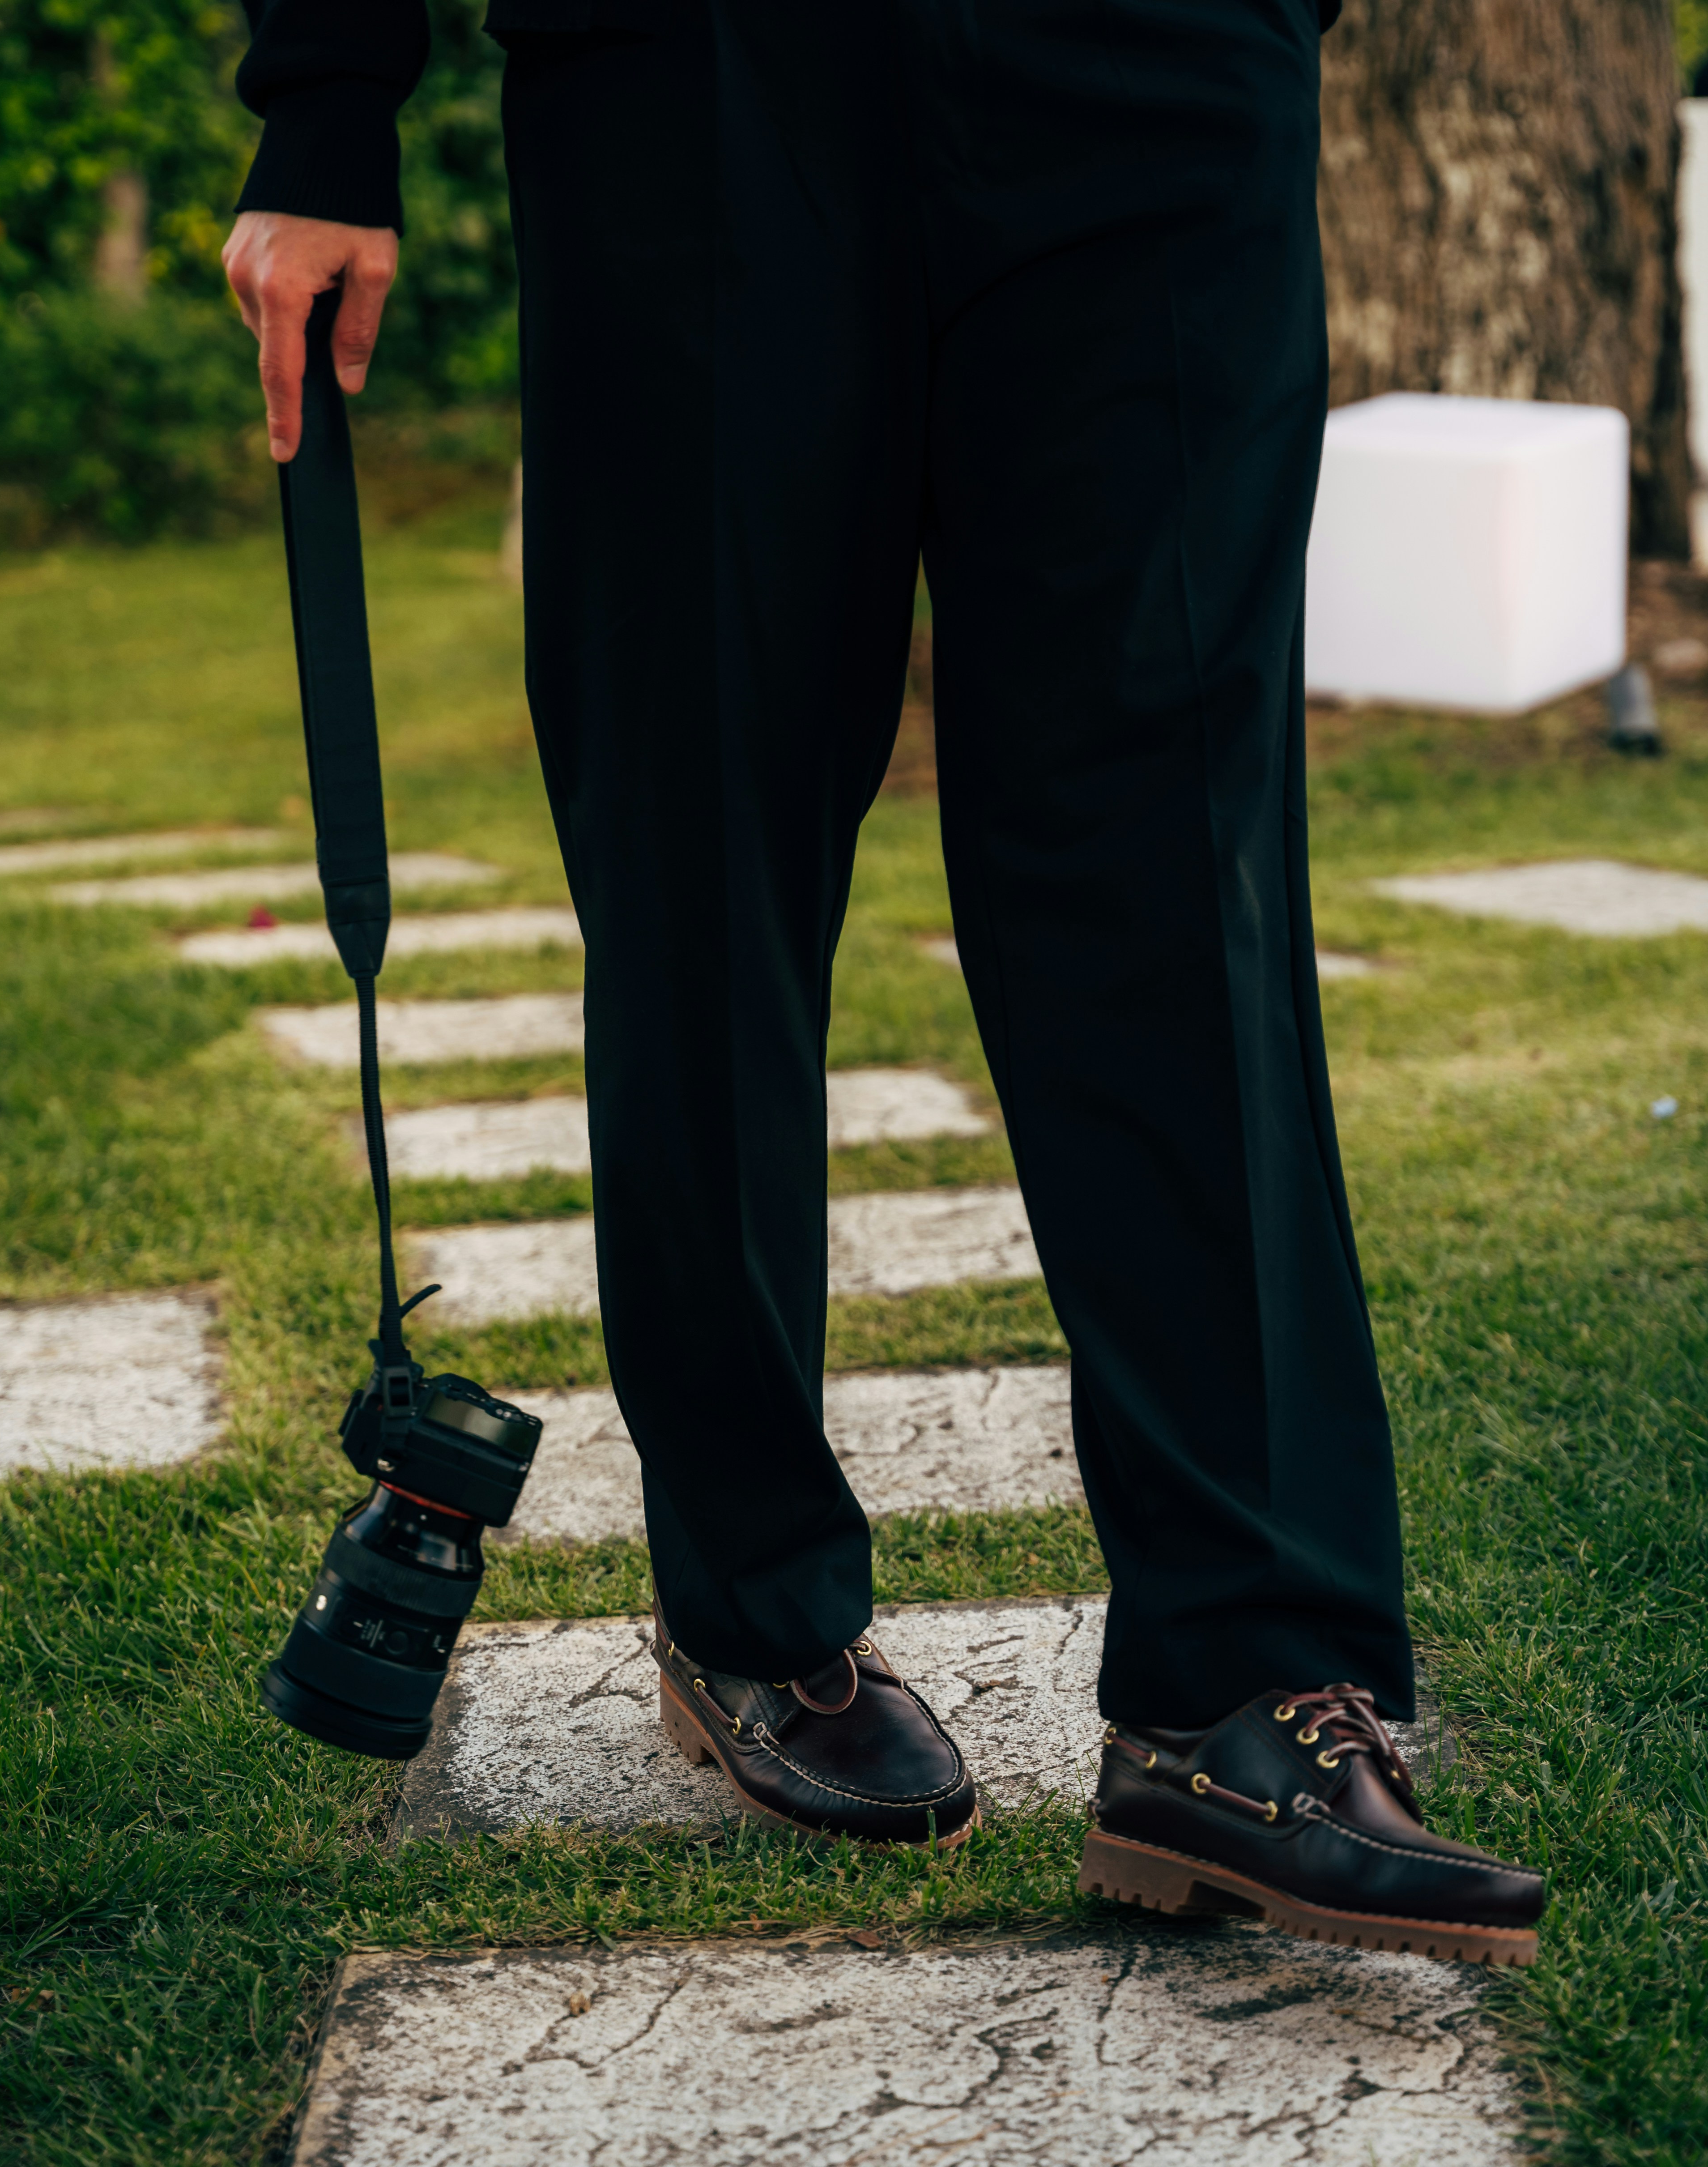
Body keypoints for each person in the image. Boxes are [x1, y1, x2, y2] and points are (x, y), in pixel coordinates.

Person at [224, 0, 1545, 1961]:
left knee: (1182, 864)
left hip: (1158, 72)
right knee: (707, 853)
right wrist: (328, 95)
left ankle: (1246, 1687)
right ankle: (754, 1602)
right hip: (699, 80)